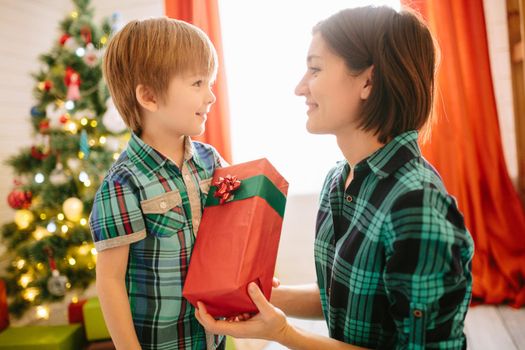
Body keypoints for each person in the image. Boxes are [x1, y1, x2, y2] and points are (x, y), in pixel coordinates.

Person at [195, 6, 474, 349]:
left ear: (368, 81)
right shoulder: (338, 182)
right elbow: (337, 296)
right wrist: (258, 297)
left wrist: (284, 334)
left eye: (315, 69)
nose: (300, 87)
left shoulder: (416, 202)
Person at [89, 18, 226, 350]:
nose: (210, 97)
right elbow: (110, 282)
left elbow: (231, 236)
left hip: (213, 338)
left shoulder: (212, 162)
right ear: (149, 96)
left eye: (210, 83)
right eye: (197, 83)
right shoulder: (123, 183)